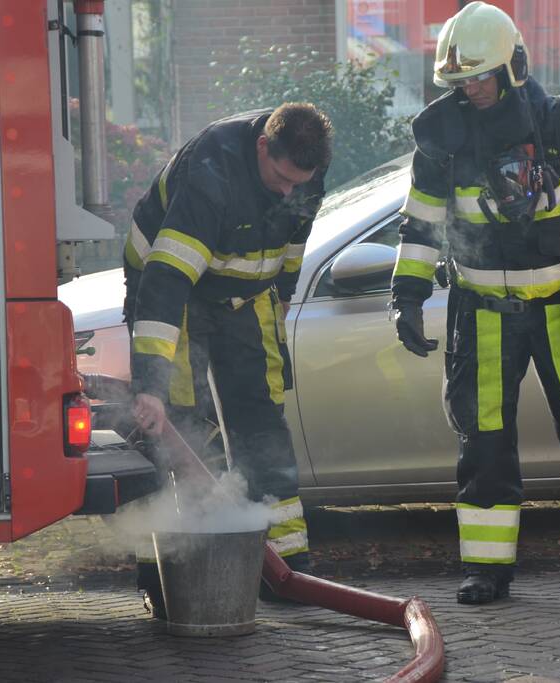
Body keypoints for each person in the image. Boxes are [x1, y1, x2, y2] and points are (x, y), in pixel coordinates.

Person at [390, 2, 560, 604]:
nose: (472, 91)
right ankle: (487, 571)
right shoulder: (442, 139)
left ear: (513, 66)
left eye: (481, 77)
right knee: (484, 443)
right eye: (461, 81)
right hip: (482, 314)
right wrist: (406, 297)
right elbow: (420, 226)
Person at [124, 102, 333, 616]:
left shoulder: (306, 166)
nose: (289, 190)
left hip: (249, 293)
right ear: (263, 146)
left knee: (262, 422)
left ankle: (288, 571)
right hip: (178, 289)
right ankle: (173, 573)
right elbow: (167, 280)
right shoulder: (211, 173)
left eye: (298, 182)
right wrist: (149, 382)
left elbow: (294, 239)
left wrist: (282, 291)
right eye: (281, 178)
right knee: (180, 425)